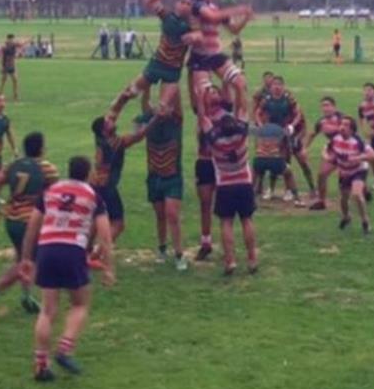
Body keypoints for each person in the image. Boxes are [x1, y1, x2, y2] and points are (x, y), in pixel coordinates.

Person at [18, 156, 114, 381]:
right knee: (80, 304)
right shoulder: (93, 196)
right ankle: (65, 348)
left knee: (47, 310)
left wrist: (26, 258)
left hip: (47, 249)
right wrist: (110, 267)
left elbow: (33, 226)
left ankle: (41, 365)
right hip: (72, 251)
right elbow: (105, 235)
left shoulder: (51, 191)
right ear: (88, 173)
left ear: (67, 171)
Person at [0, 131, 60, 316]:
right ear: (41, 148)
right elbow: (54, 196)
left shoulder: (12, 165)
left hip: (12, 220)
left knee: (21, 258)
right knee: (29, 261)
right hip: (31, 223)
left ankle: (26, 297)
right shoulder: (47, 169)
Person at [112, 0, 199, 114]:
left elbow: (203, 36)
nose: (185, 6)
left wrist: (196, 36)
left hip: (173, 72)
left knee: (163, 110)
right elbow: (148, 0)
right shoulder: (167, 17)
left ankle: (149, 133)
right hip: (156, 64)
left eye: (189, 4)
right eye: (183, 2)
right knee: (128, 93)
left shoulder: (192, 25)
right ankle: (109, 120)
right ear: (177, 3)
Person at [198, 88, 259, 276]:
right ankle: (251, 259)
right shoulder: (242, 136)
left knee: (226, 223)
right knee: (247, 220)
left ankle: (230, 260)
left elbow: (202, 118)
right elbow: (243, 106)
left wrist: (201, 97)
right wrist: (239, 87)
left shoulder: (216, 141)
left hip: (225, 185)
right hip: (244, 183)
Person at [134, 92, 188, 269]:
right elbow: (144, 101)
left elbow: (177, 100)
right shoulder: (150, 120)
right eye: (160, 105)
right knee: (160, 215)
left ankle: (179, 254)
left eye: (167, 106)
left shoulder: (176, 121)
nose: (163, 108)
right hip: (154, 176)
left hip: (172, 177)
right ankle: (162, 247)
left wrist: (173, 83)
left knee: (172, 214)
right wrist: (147, 84)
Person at [185, 0, 254, 119]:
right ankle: (206, 131)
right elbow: (213, 17)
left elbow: (234, 30)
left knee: (240, 82)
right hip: (200, 57)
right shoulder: (197, 6)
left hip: (216, 55)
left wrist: (246, 18)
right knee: (203, 98)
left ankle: (240, 122)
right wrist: (239, 9)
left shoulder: (215, 8)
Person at [89, 100, 151, 247]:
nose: (111, 121)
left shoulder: (99, 139)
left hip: (95, 185)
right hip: (107, 187)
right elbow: (139, 135)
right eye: (108, 122)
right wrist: (155, 119)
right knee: (118, 224)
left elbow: (114, 112)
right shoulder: (116, 143)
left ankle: (86, 250)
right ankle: (100, 252)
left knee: (96, 218)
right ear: (105, 130)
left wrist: (125, 97)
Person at [255, 76, 309, 205]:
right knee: (269, 158)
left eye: (279, 84)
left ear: (283, 86)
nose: (277, 87)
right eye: (274, 84)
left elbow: (298, 113)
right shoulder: (267, 99)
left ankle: (288, 190)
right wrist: (261, 126)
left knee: (285, 160)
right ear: (271, 86)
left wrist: (292, 125)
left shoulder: (288, 98)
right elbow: (258, 113)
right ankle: (271, 189)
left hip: (284, 133)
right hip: (271, 133)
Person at [329, 118, 374, 235]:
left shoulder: (357, 141)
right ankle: (346, 217)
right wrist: (329, 158)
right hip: (344, 172)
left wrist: (357, 158)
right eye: (341, 124)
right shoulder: (335, 139)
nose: (342, 127)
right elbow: (327, 151)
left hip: (358, 170)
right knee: (343, 198)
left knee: (356, 194)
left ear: (351, 129)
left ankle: (365, 221)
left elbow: (373, 156)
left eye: (346, 125)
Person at [303, 96, 352, 209]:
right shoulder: (321, 122)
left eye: (328, 105)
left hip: (347, 151)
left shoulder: (343, 119)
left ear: (334, 107)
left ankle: (363, 191)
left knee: (348, 176)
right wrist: (305, 148)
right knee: (321, 174)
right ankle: (321, 201)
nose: (325, 108)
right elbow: (312, 134)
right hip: (334, 151)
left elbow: (352, 136)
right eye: (323, 106)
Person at [252, 121, 297, 202]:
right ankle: (296, 198)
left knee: (255, 172)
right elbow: (287, 149)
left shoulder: (261, 129)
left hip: (260, 160)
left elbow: (256, 146)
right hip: (275, 160)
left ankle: (249, 195)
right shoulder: (282, 130)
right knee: (289, 173)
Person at [0, 34, 25, 101]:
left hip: (11, 65)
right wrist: (1, 66)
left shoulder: (12, 44)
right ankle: (0, 94)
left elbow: (21, 44)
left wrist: (26, 40)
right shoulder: (5, 46)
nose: (12, 40)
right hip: (6, 65)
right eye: (11, 39)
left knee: (14, 80)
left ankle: (15, 95)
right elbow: (1, 57)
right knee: (4, 80)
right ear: (8, 39)